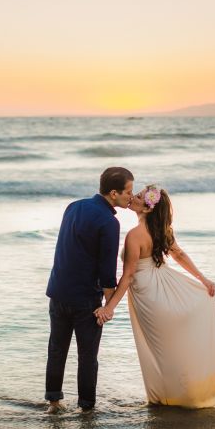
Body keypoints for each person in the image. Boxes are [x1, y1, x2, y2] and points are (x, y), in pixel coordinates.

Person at [94, 185, 215, 408]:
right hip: (162, 286)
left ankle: (169, 398)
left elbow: (128, 276)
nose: (132, 198)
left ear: (147, 208)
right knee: (166, 350)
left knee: (159, 351)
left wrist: (109, 308)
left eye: (138, 196)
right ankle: (181, 395)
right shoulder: (161, 230)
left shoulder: (135, 235)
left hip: (149, 294)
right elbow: (179, 254)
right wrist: (203, 280)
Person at [44, 167, 134, 413]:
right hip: (85, 299)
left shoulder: (73, 206)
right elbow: (107, 270)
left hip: (58, 291)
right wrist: (108, 306)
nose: (131, 196)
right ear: (113, 193)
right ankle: (86, 407)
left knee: (57, 348)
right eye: (128, 191)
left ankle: (53, 401)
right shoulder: (109, 221)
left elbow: (67, 247)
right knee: (87, 356)